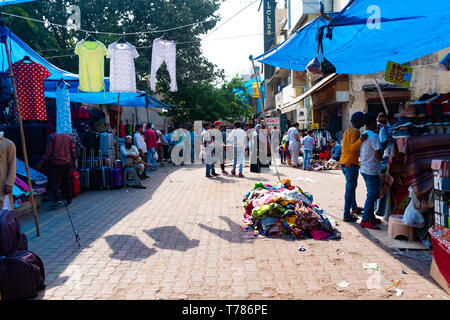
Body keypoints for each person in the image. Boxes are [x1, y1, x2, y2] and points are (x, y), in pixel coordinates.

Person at [38, 123, 77, 207]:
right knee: (66, 181)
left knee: (53, 181)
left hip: (55, 163)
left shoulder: (52, 136)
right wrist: (74, 161)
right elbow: (73, 151)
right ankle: (69, 200)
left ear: (55, 126)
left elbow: (48, 153)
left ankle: (57, 198)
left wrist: (41, 162)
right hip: (66, 162)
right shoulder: (68, 136)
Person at [340, 111, 368, 222]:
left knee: (351, 188)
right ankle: (346, 214)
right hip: (350, 163)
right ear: (360, 121)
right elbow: (352, 148)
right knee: (350, 189)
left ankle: (354, 207)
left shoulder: (348, 130)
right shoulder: (356, 131)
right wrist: (361, 139)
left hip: (345, 162)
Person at [359, 113, 383, 230]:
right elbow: (379, 154)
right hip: (371, 169)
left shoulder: (364, 134)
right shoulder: (373, 136)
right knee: (372, 194)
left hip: (365, 168)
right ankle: (365, 220)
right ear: (373, 122)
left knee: (372, 193)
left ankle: (370, 216)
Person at [0, 131, 16, 209]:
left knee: (4, 209)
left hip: (2, 183)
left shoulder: (9, 144)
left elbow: (12, 164)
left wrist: (9, 183)